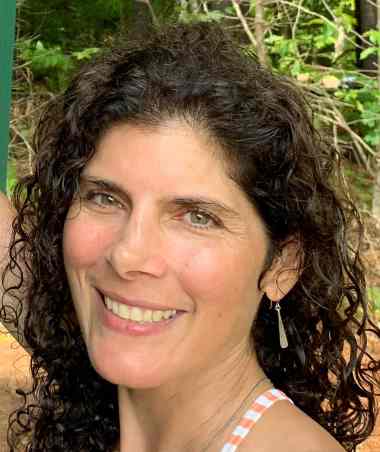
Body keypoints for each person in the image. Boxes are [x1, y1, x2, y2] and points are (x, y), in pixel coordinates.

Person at [0, 22, 379, 452]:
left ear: (282, 265)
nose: (127, 255)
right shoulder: (102, 397)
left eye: (197, 217)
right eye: (105, 198)